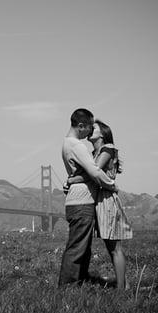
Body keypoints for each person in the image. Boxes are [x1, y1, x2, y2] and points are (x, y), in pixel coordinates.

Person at [66, 119, 133, 290]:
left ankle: (121, 290)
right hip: (98, 201)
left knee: (114, 247)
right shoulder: (95, 151)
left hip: (107, 201)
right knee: (110, 246)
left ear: (102, 133)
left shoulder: (107, 148)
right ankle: (124, 285)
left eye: (93, 128)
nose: (89, 130)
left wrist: (72, 180)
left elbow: (93, 172)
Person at [58, 108, 116, 286]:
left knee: (83, 247)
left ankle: (81, 280)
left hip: (76, 201)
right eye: (89, 128)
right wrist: (112, 185)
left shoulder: (66, 143)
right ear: (81, 126)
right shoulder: (77, 145)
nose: (90, 131)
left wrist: (71, 180)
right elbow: (95, 172)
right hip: (82, 201)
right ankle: (68, 286)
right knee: (77, 247)